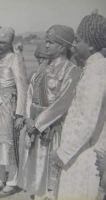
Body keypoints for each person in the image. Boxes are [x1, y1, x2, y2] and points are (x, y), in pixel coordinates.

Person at [18, 25, 80, 200]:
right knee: (34, 174)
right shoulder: (43, 66)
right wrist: (28, 118)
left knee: (49, 176)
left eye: (51, 42)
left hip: (51, 129)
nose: (46, 45)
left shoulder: (70, 70)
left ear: (62, 47)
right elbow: (30, 91)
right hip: (34, 127)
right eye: (46, 41)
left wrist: (38, 123)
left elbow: (63, 103)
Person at [49, 11, 106, 200]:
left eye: (78, 40)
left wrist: (62, 153)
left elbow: (88, 123)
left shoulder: (96, 73)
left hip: (83, 156)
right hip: (79, 152)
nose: (74, 44)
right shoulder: (92, 68)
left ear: (90, 44)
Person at [0, 27, 28, 198]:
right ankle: (1, 179)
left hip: (8, 107)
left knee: (9, 144)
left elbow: (22, 87)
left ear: (10, 43)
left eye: (3, 42)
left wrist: (20, 114)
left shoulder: (14, 59)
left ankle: (13, 181)